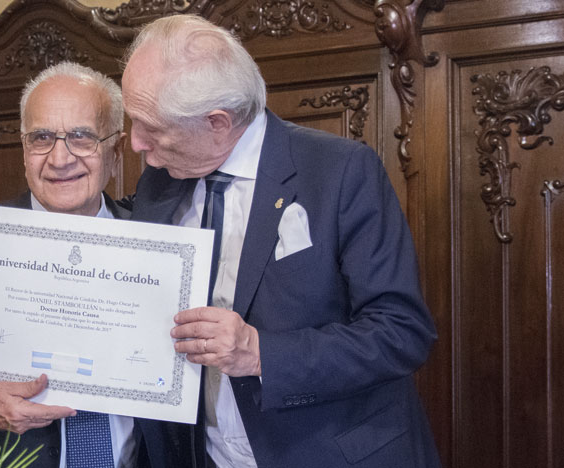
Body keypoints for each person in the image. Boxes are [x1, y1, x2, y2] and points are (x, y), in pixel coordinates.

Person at [120, 15, 440, 467]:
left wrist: (260, 353)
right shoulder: (162, 178)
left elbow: (401, 333)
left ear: (217, 122)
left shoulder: (340, 172)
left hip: (324, 454)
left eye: (150, 127)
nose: (135, 144)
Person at [0, 62, 192, 468]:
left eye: (81, 137)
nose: (60, 158)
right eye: (41, 137)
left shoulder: (164, 249)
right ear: (23, 149)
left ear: (115, 149)